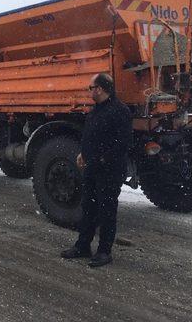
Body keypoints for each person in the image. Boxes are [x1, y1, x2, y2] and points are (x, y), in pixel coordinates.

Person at [61, 73, 132, 267]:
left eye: (91, 88)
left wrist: (102, 158)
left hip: (110, 170)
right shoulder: (96, 110)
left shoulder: (120, 111)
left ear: (100, 89)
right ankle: (83, 246)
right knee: (88, 207)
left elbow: (122, 143)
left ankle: (104, 251)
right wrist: (83, 153)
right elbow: (90, 135)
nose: (89, 91)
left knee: (106, 209)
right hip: (92, 167)